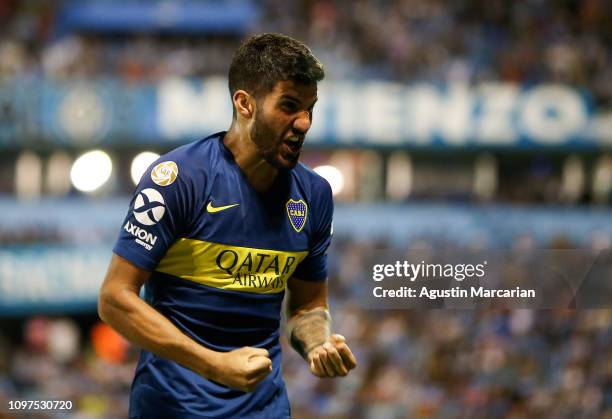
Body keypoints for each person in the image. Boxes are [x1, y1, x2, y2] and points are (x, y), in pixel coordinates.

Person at [98, 33, 357, 418]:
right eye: (288, 106)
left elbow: (307, 307)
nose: (303, 122)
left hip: (263, 410)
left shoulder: (315, 195)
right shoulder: (179, 179)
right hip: (173, 408)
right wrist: (212, 365)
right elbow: (115, 299)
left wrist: (318, 343)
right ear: (245, 103)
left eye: (309, 108)